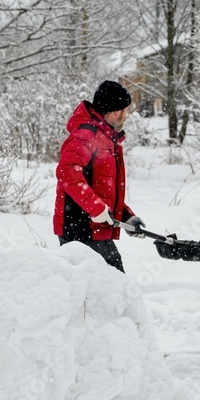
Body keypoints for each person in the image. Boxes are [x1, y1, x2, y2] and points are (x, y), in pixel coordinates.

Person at [53, 80, 145, 273]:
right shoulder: (87, 135)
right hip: (80, 231)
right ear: (117, 111)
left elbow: (101, 187)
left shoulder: (105, 138)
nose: (125, 116)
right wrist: (96, 209)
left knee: (114, 288)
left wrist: (126, 217)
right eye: (125, 111)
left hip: (94, 230)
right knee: (108, 291)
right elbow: (67, 172)